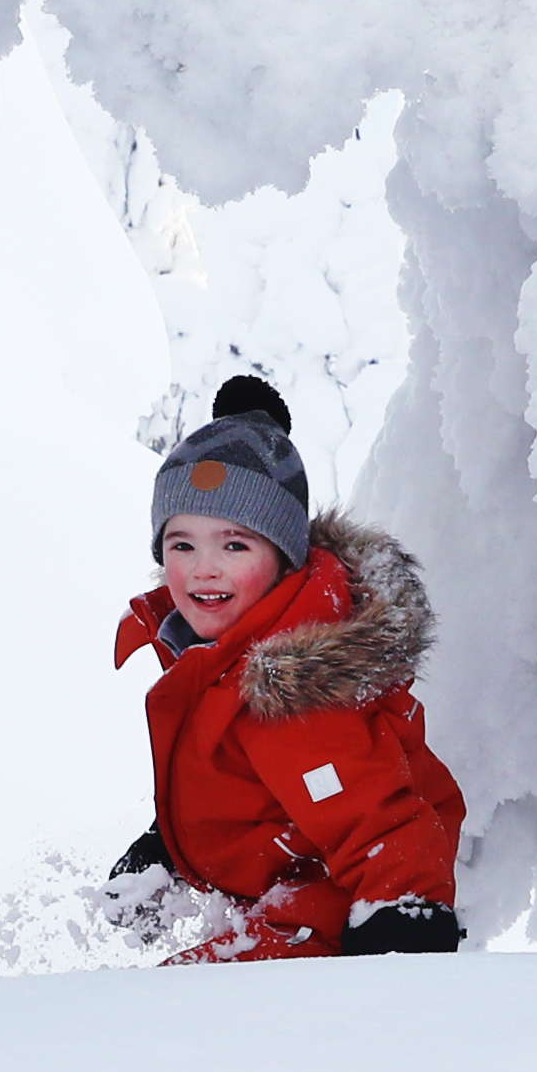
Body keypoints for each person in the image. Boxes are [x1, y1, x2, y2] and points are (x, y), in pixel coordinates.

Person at [110, 376, 466, 957]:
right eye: (182, 546)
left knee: (163, 1019)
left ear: (284, 558)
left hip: (319, 926)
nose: (204, 570)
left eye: (234, 546)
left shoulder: (296, 692)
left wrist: (404, 923)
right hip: (267, 900)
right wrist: (168, 850)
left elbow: (382, 823)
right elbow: (240, 786)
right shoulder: (212, 652)